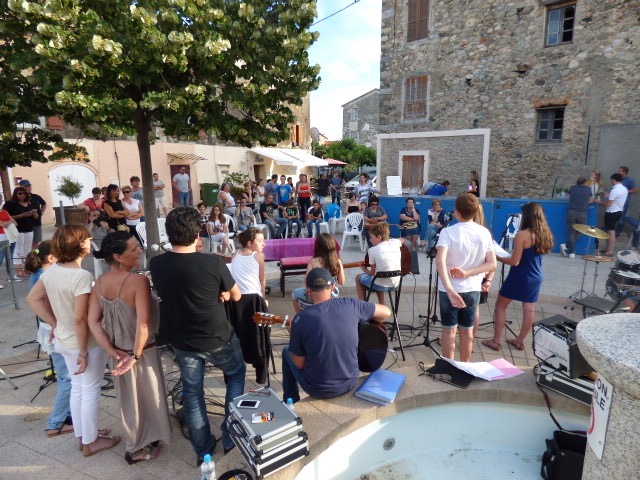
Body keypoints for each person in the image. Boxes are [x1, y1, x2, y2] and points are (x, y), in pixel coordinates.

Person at [149, 206, 244, 463]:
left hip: (183, 339)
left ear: (169, 233)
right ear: (196, 233)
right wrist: (222, 293)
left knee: (193, 394)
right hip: (217, 336)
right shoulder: (212, 262)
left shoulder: (156, 264)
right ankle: (231, 437)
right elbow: (236, 296)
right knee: (236, 375)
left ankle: (204, 451)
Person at [26, 225, 120, 456]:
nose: (90, 241)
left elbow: (33, 298)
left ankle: (84, 435)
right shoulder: (81, 276)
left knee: (78, 389)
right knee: (89, 390)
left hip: (63, 340)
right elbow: (80, 318)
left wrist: (55, 322)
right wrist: (84, 352)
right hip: (83, 343)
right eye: (87, 239)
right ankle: (91, 441)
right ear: (78, 245)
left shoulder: (53, 271)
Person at [88, 232, 171, 464]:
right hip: (141, 350)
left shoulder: (100, 282)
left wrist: (111, 350)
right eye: (134, 248)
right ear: (118, 256)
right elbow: (144, 323)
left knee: (130, 400)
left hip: (118, 351)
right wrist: (134, 355)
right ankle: (136, 448)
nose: (140, 250)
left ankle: (141, 441)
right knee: (149, 396)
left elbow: (93, 321)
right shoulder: (138, 281)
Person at [282, 267, 391, 404]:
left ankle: (290, 402)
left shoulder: (300, 320)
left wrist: (296, 337)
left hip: (317, 389)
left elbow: (299, 363)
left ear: (308, 290)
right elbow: (386, 312)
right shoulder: (351, 304)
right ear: (333, 287)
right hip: (351, 381)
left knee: (287, 351)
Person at [483, 202, 552, 352]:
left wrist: (497, 257)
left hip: (520, 275)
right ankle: (520, 341)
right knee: (529, 309)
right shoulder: (545, 233)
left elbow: (515, 261)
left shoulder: (522, 235)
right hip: (536, 276)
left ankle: (496, 341)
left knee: (500, 306)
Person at [436, 194, 496, 362]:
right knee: (467, 330)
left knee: (448, 331)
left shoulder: (448, 232)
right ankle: (465, 366)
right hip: (472, 289)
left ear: (457, 212)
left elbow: (440, 261)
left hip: (449, 289)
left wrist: (450, 290)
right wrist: (468, 273)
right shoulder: (484, 232)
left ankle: (449, 367)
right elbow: (492, 264)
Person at [25, 241, 74, 437]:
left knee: (67, 377)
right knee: (67, 379)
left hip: (50, 329)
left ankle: (68, 415)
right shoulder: (44, 277)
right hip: (53, 330)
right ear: (52, 258)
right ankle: (56, 422)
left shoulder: (40, 274)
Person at [292, 233, 345, 312]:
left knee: (294, 294)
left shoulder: (313, 262)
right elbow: (342, 282)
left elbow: (306, 282)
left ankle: (300, 315)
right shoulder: (337, 261)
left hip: (315, 294)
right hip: (332, 293)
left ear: (317, 247)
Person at [356, 222, 401, 307]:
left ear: (379, 237)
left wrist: (364, 269)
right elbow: (402, 240)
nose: (370, 240)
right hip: (395, 284)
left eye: (372, 237)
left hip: (379, 284)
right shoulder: (395, 243)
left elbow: (372, 273)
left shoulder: (372, 250)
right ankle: (382, 304)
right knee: (379, 275)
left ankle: (363, 306)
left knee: (358, 277)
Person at [3, 186, 38, 270]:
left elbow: (36, 217)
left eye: (24, 193)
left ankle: (26, 266)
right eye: (20, 193)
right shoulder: (10, 204)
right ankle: (19, 269)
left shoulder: (29, 203)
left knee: (27, 249)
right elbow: (6, 216)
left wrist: (34, 213)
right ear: (15, 194)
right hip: (17, 229)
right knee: (18, 249)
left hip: (29, 229)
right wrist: (21, 215)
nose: (22, 195)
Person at [595, 173, 628, 256]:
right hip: (619, 211)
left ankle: (610, 251)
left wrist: (599, 202)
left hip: (611, 212)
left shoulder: (614, 190)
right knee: (608, 230)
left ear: (613, 180)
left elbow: (608, 204)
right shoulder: (624, 189)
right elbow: (618, 198)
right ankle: (607, 248)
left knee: (611, 231)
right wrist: (609, 195)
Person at [560, 177, 593, 258]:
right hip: (582, 212)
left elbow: (568, 197)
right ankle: (567, 247)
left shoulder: (573, 188)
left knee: (571, 232)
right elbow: (591, 200)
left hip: (571, 211)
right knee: (582, 230)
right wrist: (585, 202)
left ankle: (571, 252)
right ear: (585, 182)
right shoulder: (588, 189)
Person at [231, 227, 267, 298]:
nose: (263, 244)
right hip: (253, 296)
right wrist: (263, 299)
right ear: (249, 243)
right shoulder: (259, 256)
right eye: (260, 241)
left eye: (263, 240)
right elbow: (262, 280)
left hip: (237, 296)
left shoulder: (236, 254)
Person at [19, 179, 47, 250]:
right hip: (25, 224)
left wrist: (41, 212)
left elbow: (44, 204)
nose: (28, 187)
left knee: (36, 241)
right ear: (21, 187)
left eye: (29, 185)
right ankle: (29, 255)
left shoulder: (36, 197)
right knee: (26, 243)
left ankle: (35, 254)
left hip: (37, 223)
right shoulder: (19, 198)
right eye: (26, 186)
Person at [617, 166, 639, 237]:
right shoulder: (619, 179)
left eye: (619, 171)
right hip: (617, 201)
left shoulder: (630, 180)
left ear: (624, 172)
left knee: (622, 217)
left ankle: (618, 232)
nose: (618, 172)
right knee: (617, 216)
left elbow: (635, 190)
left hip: (624, 202)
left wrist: (626, 191)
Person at [0, 208, 18, 286]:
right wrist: (10, 221)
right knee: (0, 259)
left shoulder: (4, 211)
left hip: (10, 237)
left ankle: (10, 276)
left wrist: (8, 222)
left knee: (9, 258)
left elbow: (15, 223)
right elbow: (2, 224)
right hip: (1, 238)